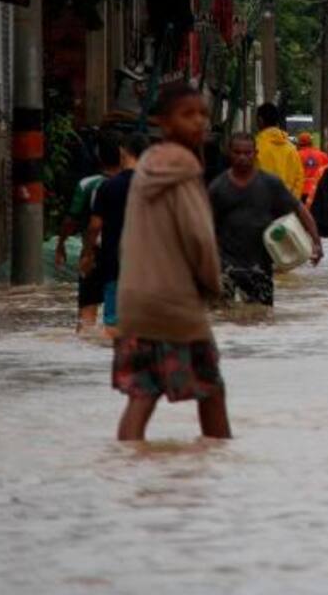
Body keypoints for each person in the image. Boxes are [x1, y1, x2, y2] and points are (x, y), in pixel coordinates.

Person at [112, 85, 228, 441]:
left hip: (133, 302)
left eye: (203, 114)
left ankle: (129, 466)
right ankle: (221, 469)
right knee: (210, 390)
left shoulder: (144, 168)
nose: (199, 123)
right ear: (163, 123)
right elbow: (199, 238)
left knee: (142, 394)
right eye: (188, 114)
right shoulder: (185, 168)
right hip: (175, 302)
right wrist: (213, 286)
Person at [209, 133, 323, 309]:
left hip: (260, 267)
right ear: (228, 153)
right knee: (223, 317)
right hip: (226, 266)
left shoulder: (270, 183)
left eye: (247, 153)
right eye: (237, 152)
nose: (242, 157)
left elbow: (299, 209)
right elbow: (204, 225)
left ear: (255, 154)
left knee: (262, 316)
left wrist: (316, 242)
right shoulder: (217, 187)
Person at [82, 131, 149, 333]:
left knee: (113, 328)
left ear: (123, 152)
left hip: (116, 266)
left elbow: (94, 227)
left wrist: (88, 253)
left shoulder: (109, 187)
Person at [56, 129, 121, 333]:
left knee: (86, 315)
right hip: (123, 255)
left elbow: (71, 220)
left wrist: (61, 244)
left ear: (98, 155)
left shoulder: (88, 185)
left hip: (93, 253)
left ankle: (85, 359)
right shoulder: (133, 184)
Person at [254, 103, 304, 200]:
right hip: (286, 207)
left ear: (260, 120)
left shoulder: (254, 147)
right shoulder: (291, 149)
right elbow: (299, 178)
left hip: (261, 207)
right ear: (277, 122)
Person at [296, 132, 328, 205]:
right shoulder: (322, 155)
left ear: (299, 143)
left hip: (301, 191)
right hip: (317, 190)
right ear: (311, 142)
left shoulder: (296, 155)